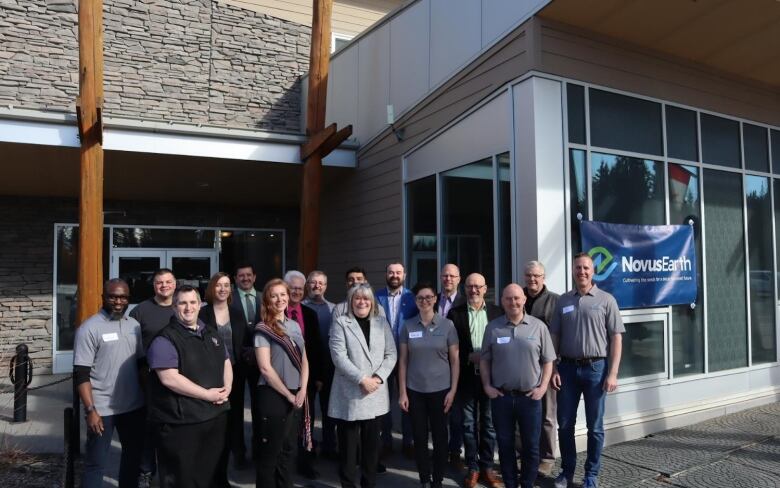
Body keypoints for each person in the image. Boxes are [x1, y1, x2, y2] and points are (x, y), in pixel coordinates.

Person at [550, 253, 625, 488]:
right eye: (577, 268)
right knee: (564, 424)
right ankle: (566, 471)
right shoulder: (563, 301)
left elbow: (616, 338)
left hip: (596, 369)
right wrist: (553, 368)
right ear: (572, 271)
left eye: (586, 268)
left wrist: (612, 373)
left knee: (595, 427)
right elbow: (554, 336)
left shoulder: (606, 300)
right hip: (567, 369)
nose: (581, 271)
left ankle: (591, 474)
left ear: (593, 272)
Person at [146, 285, 231, 488]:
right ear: (174, 307)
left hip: (215, 416)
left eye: (193, 302)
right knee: (182, 478)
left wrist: (227, 388)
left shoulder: (211, 332)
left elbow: (226, 361)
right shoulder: (164, 339)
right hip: (182, 424)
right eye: (182, 303)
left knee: (209, 475)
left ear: (200, 304)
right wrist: (207, 395)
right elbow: (169, 379)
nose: (188, 307)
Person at [480, 284, 555, 488]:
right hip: (501, 397)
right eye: (508, 299)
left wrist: (542, 388)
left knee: (531, 447)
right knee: (505, 445)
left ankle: (528, 484)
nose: (513, 302)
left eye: (517, 298)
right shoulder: (493, 327)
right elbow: (485, 360)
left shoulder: (539, 326)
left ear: (523, 300)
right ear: (502, 301)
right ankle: (511, 484)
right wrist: (487, 385)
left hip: (530, 398)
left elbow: (548, 361)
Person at [74, 278, 145, 488]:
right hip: (102, 410)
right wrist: (90, 410)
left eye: (123, 297)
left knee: (132, 459)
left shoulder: (134, 326)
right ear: (104, 297)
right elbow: (81, 374)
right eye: (113, 296)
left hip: (133, 406)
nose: (118, 301)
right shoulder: (89, 328)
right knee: (96, 464)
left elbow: (140, 363)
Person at [329, 283, 397, 488]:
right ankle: (348, 484)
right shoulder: (341, 322)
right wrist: (362, 379)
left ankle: (369, 484)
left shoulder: (381, 323)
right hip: (351, 392)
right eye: (357, 298)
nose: (362, 302)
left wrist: (377, 378)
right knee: (349, 449)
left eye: (366, 299)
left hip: (375, 392)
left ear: (372, 302)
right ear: (351, 301)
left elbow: (391, 354)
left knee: (371, 448)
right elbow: (338, 357)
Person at [398, 282, 459, 488]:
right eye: (420, 298)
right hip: (415, 391)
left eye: (428, 297)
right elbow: (403, 361)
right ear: (415, 301)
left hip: (441, 391)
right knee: (420, 436)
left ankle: (438, 479)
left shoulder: (447, 325)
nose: (424, 301)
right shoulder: (408, 325)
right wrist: (402, 393)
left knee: (441, 437)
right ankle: (424, 478)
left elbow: (455, 361)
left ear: (435, 299)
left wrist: (453, 390)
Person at [254, 278, 311, 488]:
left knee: (288, 449)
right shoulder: (264, 328)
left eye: (283, 294)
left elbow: (304, 360)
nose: (280, 299)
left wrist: (303, 390)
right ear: (267, 300)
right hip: (273, 394)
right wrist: (288, 395)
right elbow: (265, 369)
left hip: (297, 393)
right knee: (271, 451)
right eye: (274, 295)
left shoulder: (295, 325)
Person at [447, 273, 502, 488]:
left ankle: (487, 467)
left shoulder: (497, 312)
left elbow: (503, 343)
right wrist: (467, 357)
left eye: (478, 286)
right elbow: (450, 347)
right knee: (468, 425)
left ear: (485, 288)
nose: (474, 290)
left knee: (488, 425)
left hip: (491, 378)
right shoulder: (455, 314)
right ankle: (473, 468)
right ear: (465, 289)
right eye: (470, 286)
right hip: (467, 377)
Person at [199, 272, 249, 486]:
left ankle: (230, 461)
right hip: (209, 376)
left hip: (235, 376)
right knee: (212, 423)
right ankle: (208, 472)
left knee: (233, 420)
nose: (223, 289)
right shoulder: (202, 313)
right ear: (212, 288)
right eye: (219, 285)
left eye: (227, 285)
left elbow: (244, 343)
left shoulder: (237, 314)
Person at [129, 268, 177, 487]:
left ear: (175, 284)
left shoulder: (183, 308)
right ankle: (146, 471)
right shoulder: (140, 311)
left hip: (180, 378)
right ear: (154, 285)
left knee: (173, 428)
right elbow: (132, 348)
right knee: (149, 427)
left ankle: (172, 473)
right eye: (159, 282)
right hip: (149, 379)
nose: (164, 285)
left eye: (168, 281)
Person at [284, 270, 324, 479]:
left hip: (306, 380)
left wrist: (317, 377)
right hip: (282, 379)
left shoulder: (310, 314)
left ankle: (305, 461)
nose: (297, 292)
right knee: (287, 422)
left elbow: (316, 348)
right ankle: (285, 463)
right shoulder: (275, 313)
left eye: (300, 288)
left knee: (306, 421)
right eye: (293, 288)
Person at [522, 260, 560, 475]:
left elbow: (559, 336)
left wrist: (555, 368)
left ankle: (547, 457)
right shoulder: (520, 298)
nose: (532, 279)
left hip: (546, 366)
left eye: (536, 275)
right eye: (529, 275)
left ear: (543, 277)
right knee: (524, 414)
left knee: (547, 415)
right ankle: (527, 455)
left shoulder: (555, 301)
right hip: (522, 367)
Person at [375, 262, 417, 455]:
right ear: (386, 274)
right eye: (391, 272)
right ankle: (386, 440)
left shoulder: (413, 298)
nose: (394, 275)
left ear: (404, 275)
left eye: (398, 272)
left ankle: (408, 441)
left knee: (406, 400)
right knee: (384, 401)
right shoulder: (377, 297)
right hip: (382, 358)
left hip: (407, 358)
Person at [302, 270, 338, 458]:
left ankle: (329, 445)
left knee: (329, 409)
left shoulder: (334, 309)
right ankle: (308, 445)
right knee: (308, 410)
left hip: (330, 367)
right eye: (313, 282)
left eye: (320, 283)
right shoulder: (299, 307)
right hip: (307, 367)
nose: (317, 286)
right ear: (308, 284)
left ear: (326, 286)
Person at [229, 263, 262, 466]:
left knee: (260, 409)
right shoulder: (229, 298)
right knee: (235, 410)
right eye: (241, 276)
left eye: (249, 275)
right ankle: (238, 453)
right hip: (236, 362)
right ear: (236, 278)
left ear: (254, 277)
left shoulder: (263, 298)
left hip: (260, 362)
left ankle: (258, 449)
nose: (245, 278)